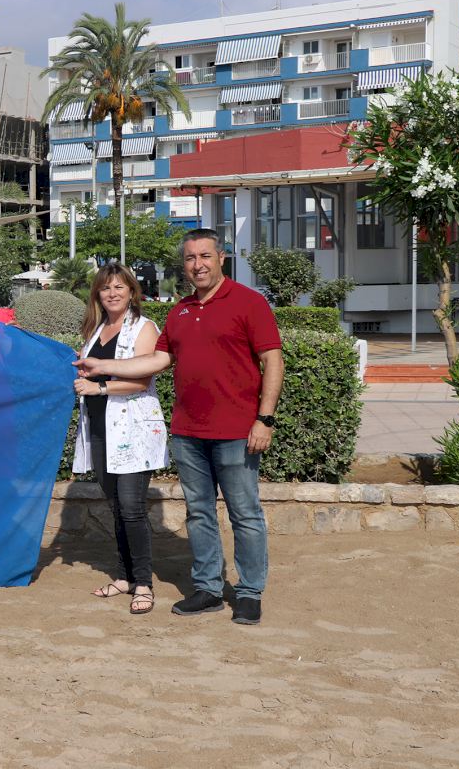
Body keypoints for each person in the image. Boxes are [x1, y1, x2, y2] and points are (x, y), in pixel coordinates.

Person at [75, 229, 283, 625]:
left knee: (245, 514)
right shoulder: (180, 311)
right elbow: (156, 361)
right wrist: (102, 365)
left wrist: (264, 418)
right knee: (199, 513)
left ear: (221, 258)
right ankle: (207, 589)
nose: (197, 265)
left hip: (237, 430)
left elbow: (273, 360)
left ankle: (249, 591)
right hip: (188, 432)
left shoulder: (249, 302)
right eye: (190, 258)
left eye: (205, 256)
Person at [71, 264, 168, 615]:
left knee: (131, 509)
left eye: (119, 287)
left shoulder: (144, 328)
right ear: (97, 294)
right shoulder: (95, 330)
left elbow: (142, 379)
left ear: (131, 292)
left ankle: (143, 583)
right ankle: (125, 576)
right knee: (116, 507)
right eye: (105, 288)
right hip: (100, 428)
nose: (112, 293)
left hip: (132, 430)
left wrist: (98, 387)